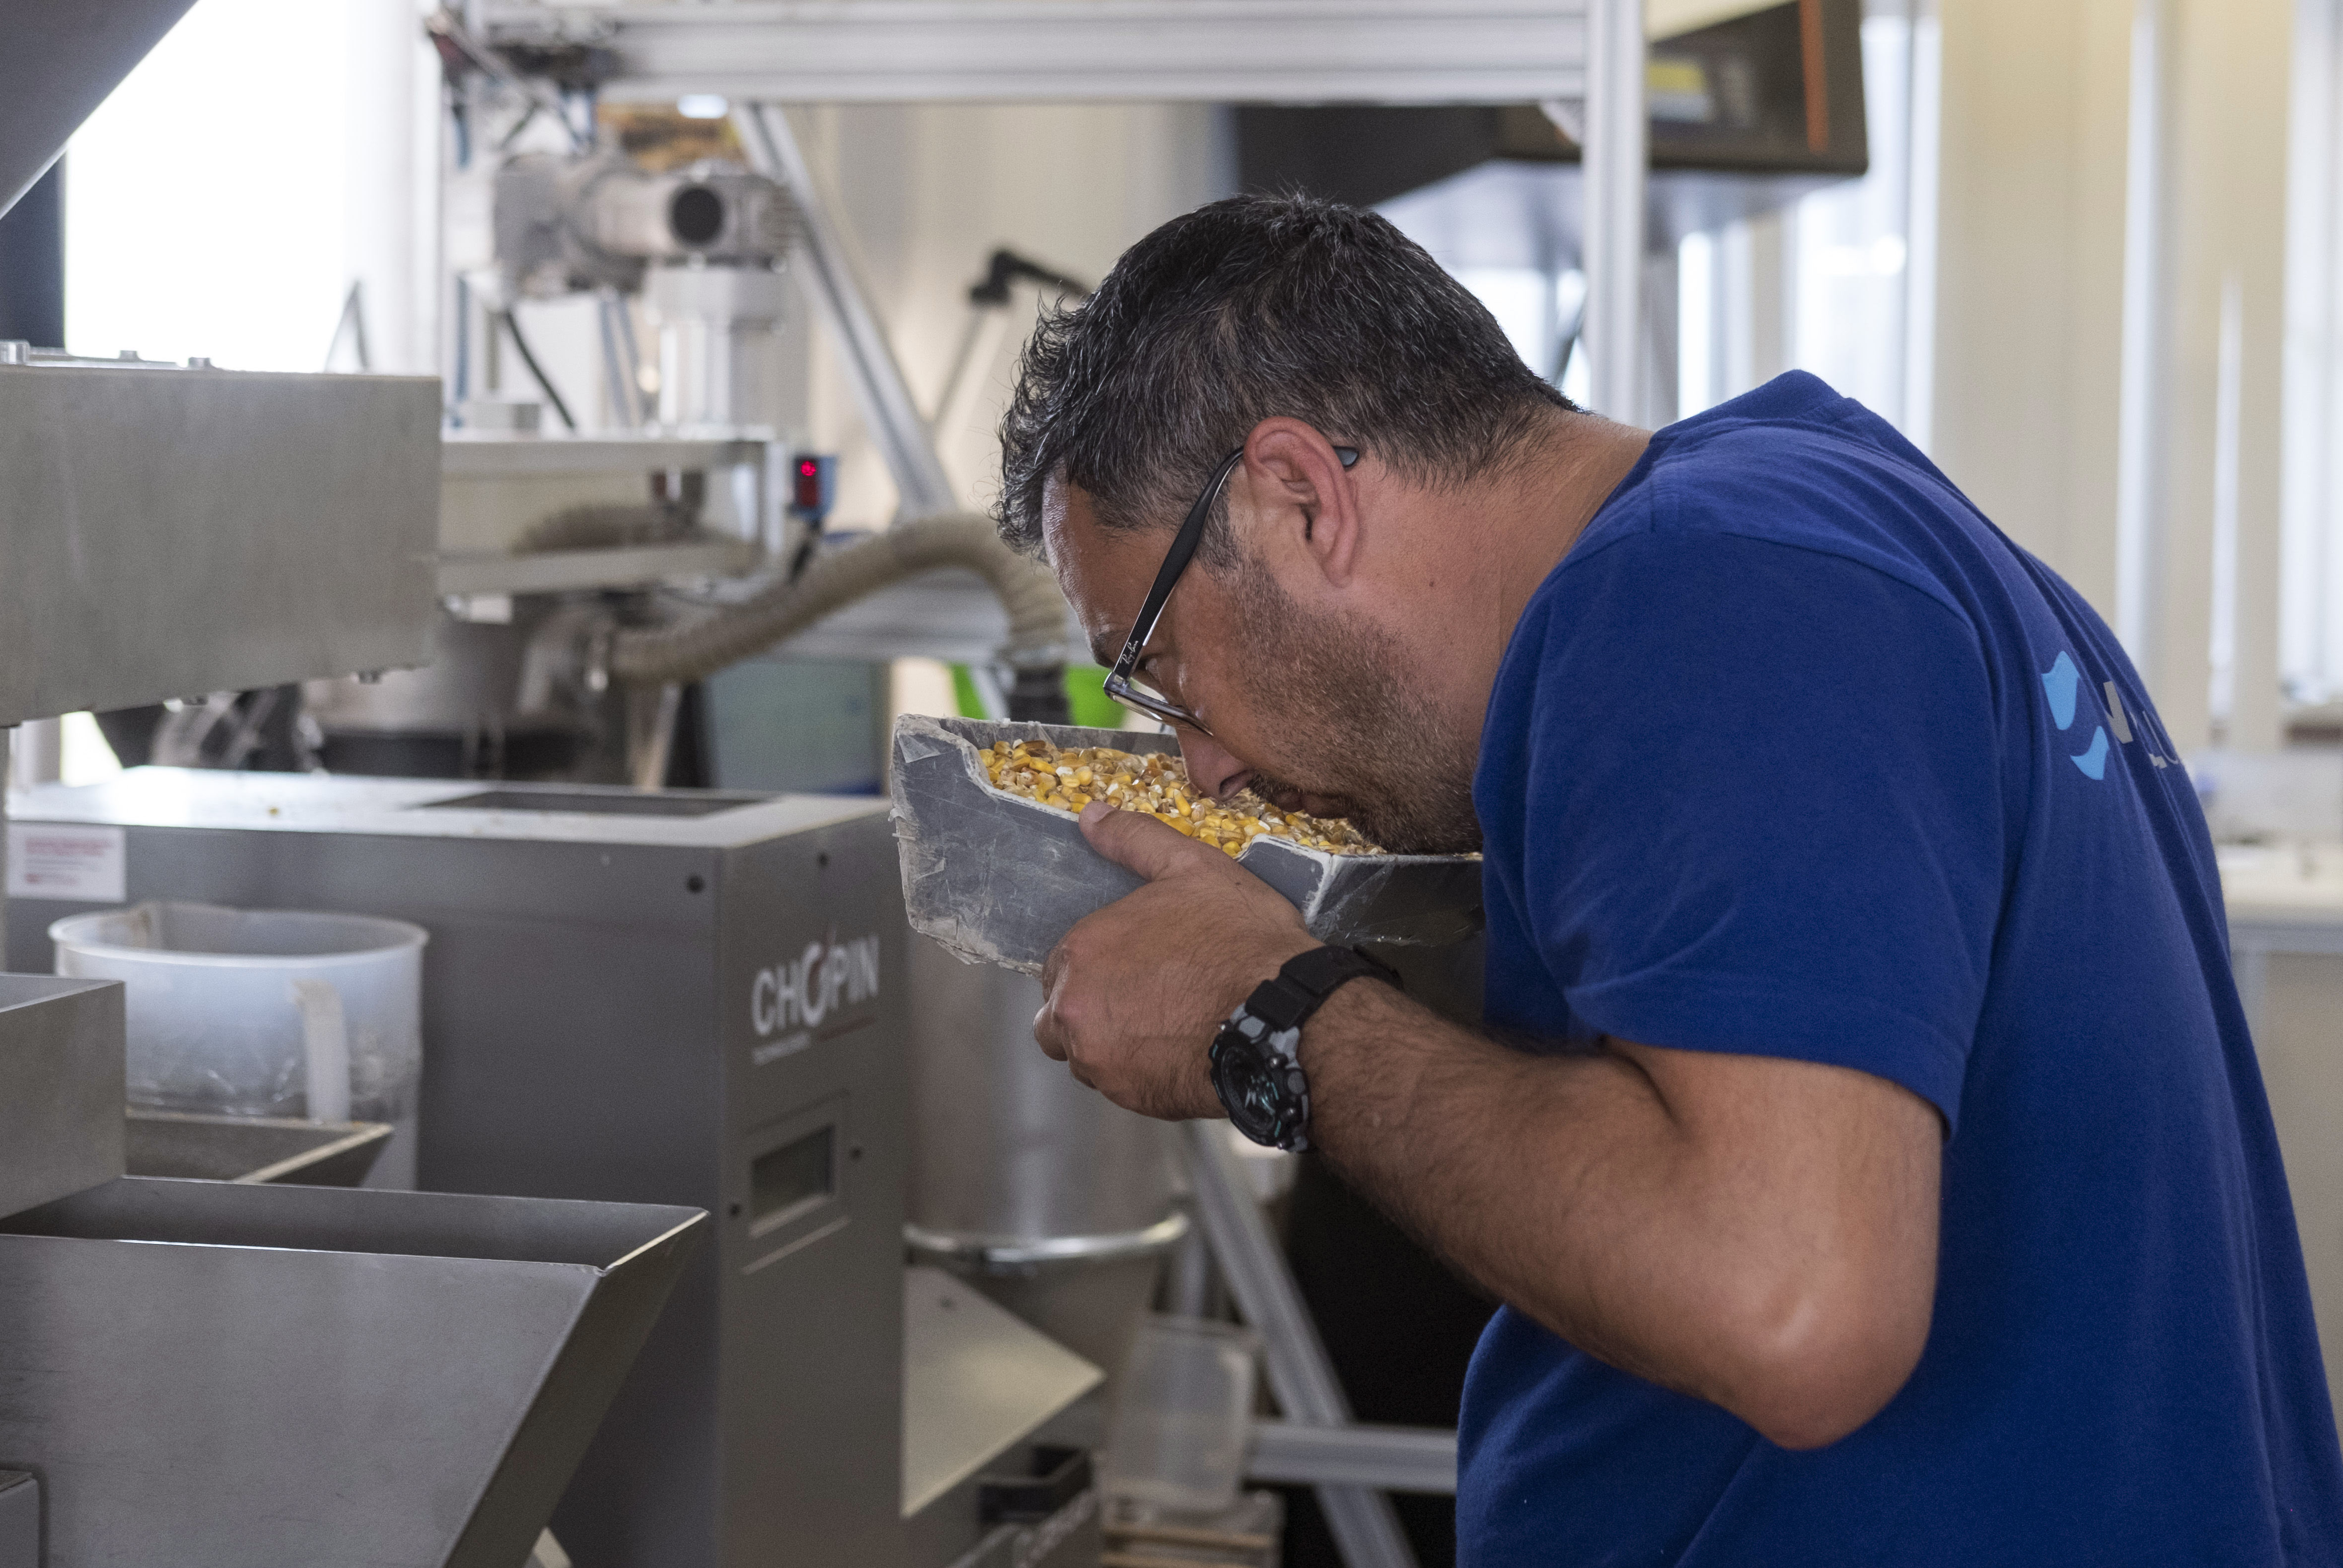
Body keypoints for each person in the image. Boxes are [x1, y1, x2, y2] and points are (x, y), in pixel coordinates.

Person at [992, 192, 2343, 1564]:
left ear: (1297, 496)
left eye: (1158, 668)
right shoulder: (1820, 529)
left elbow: (1792, 1304)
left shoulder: (1707, 596)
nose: (1202, 768)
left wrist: (1268, 1011)